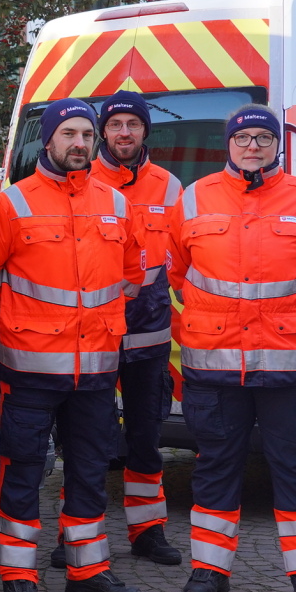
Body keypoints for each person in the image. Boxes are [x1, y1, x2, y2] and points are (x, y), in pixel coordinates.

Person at [0, 98, 146, 592]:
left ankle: (87, 574)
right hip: (30, 371)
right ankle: (18, 582)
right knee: (22, 472)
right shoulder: (13, 204)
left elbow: (132, 277)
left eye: (87, 135)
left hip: (96, 371)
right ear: (48, 140)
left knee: (89, 472)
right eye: (69, 133)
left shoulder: (116, 204)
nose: (80, 144)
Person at [167, 104, 296, 592]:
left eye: (263, 138)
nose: (252, 146)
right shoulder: (194, 198)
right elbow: (177, 272)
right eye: (243, 138)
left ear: (278, 145)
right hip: (216, 364)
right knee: (215, 466)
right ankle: (208, 569)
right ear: (228, 144)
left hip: (292, 365)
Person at [91, 91, 185, 566]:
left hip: (149, 335)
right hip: (91, 335)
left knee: (146, 440)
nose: (124, 132)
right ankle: (78, 536)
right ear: (103, 132)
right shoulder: (81, 180)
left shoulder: (170, 187)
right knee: (87, 441)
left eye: (132, 124)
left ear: (146, 130)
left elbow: (185, 256)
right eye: (115, 124)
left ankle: (148, 533)